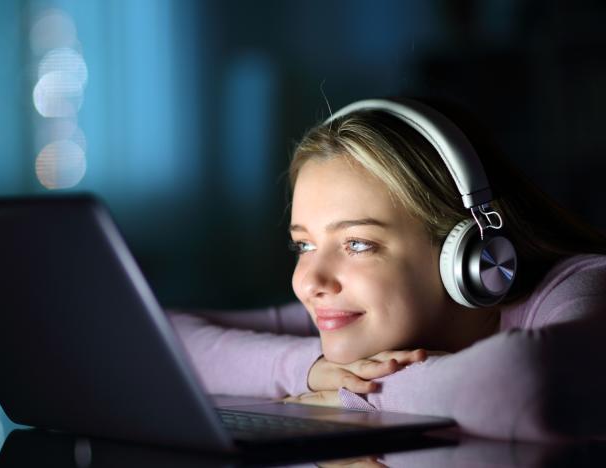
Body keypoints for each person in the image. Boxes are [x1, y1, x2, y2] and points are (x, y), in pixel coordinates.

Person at [167, 98, 606, 442]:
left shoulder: (584, 285)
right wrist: (314, 367)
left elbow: (520, 382)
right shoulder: (359, 317)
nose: (310, 282)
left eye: (357, 243)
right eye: (304, 244)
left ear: (469, 253)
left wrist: (353, 398)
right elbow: (162, 340)